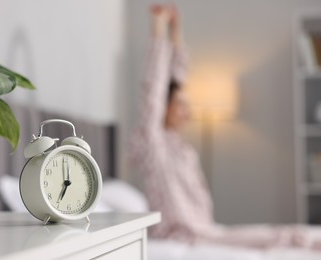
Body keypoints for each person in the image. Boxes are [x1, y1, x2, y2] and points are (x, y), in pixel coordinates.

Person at [129, 4, 321, 250]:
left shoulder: (178, 146)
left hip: (205, 228)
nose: (187, 111)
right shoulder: (152, 143)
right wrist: (157, 27)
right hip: (186, 234)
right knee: (283, 238)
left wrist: (176, 30)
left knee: (282, 235)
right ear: (163, 107)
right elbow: (153, 90)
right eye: (180, 105)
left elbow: (177, 80)